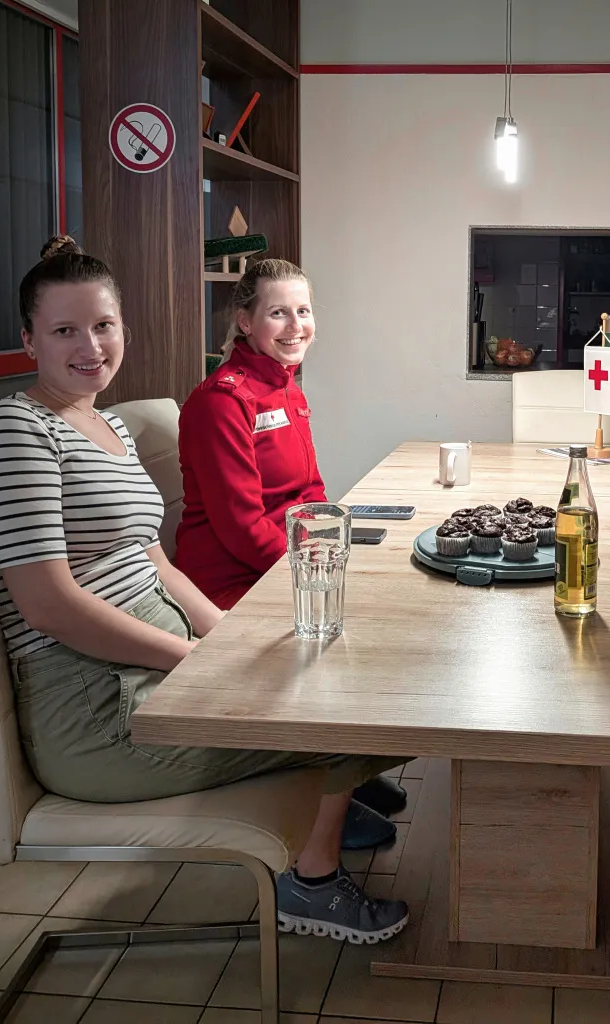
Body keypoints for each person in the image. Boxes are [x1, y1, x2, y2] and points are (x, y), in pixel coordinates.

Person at [0, 238, 410, 943]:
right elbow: (48, 604)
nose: (89, 345)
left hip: (156, 672)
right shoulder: (13, 428)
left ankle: (318, 833)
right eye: (64, 330)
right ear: (28, 339)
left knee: (344, 678)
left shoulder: (109, 426)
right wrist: (188, 662)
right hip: (98, 712)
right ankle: (311, 885)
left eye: (103, 326)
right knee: (340, 718)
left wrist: (227, 644)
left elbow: (160, 567)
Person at [175, 258, 407, 844]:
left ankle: (341, 778)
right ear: (245, 321)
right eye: (278, 312)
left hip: (284, 564)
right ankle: (325, 779)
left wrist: (336, 550)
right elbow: (242, 529)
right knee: (359, 635)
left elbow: (312, 496)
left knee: (396, 601)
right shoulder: (221, 401)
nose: (294, 325)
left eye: (303, 311)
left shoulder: (287, 388)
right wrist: (316, 576)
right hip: (233, 583)